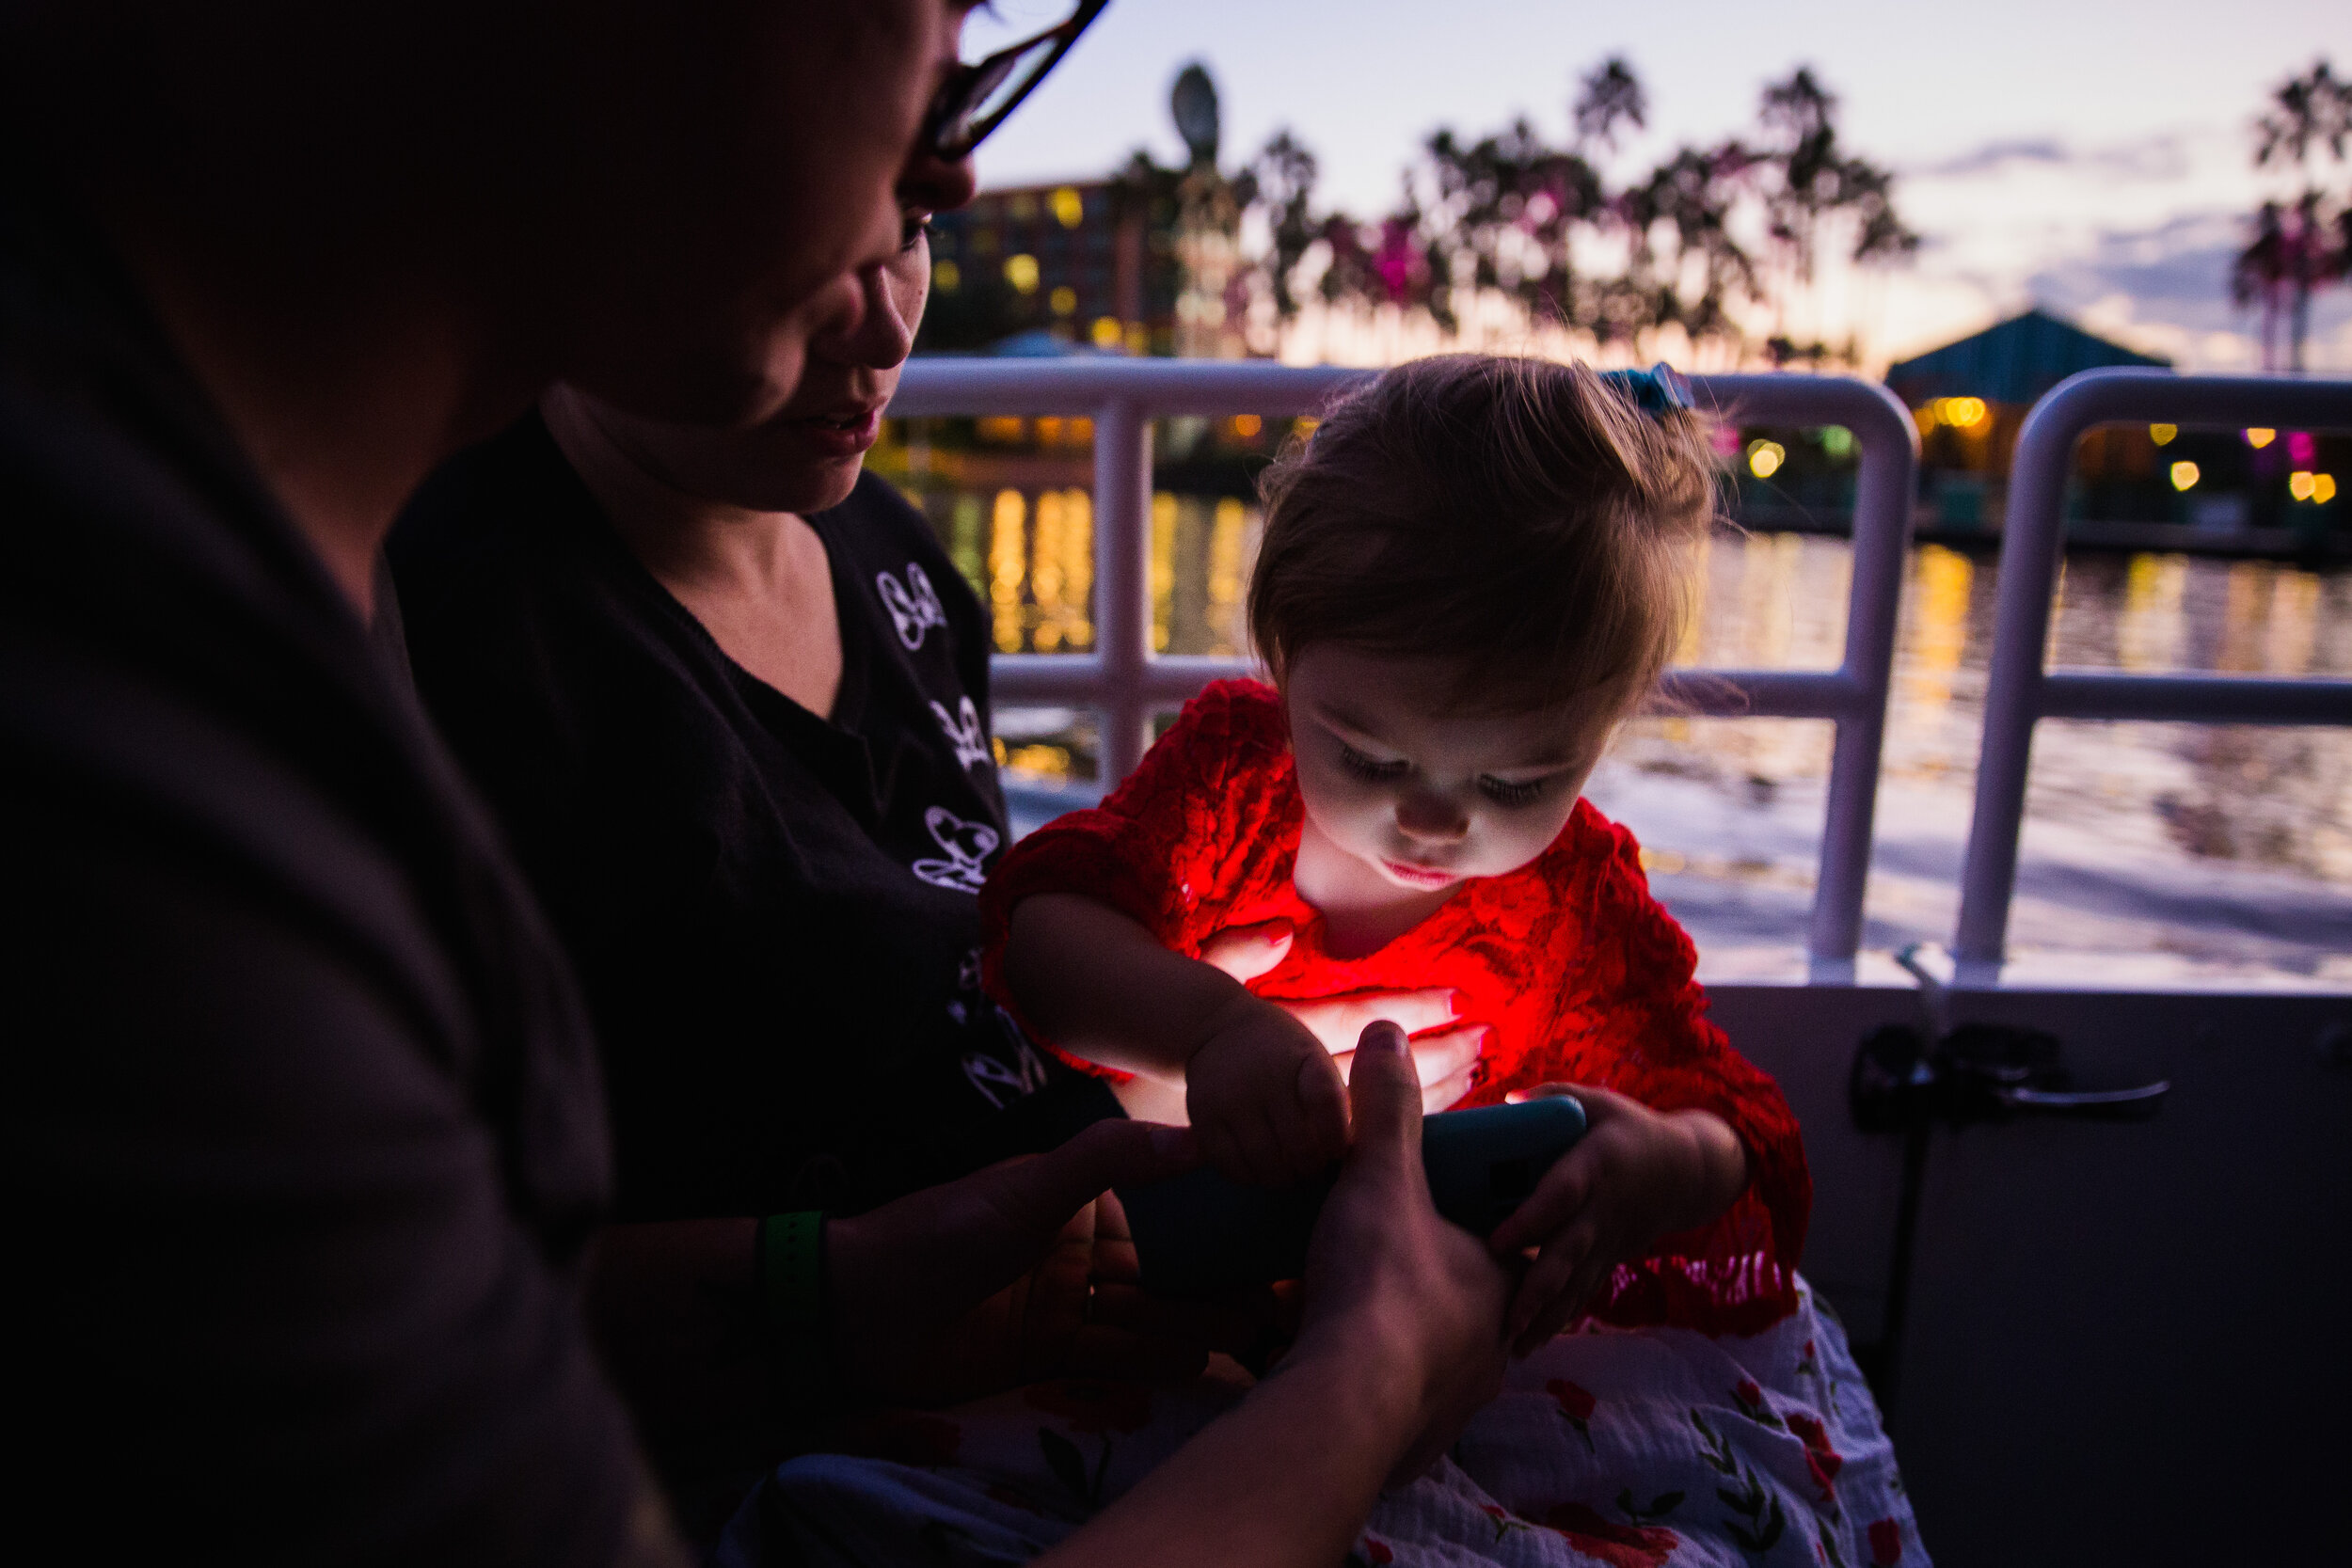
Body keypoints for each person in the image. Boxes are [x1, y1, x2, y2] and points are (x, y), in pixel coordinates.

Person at [1, 3, 1514, 1563]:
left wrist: (846, 1286)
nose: (958, 151)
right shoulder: (140, 770)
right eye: (953, 24)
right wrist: (1367, 1375)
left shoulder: (225, 562)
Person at [980, 356, 1924, 1563]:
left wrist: (1648, 1158)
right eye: (1368, 757)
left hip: (1455, 1352)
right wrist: (1205, 1027)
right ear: (1283, 654)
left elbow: (1734, 1127)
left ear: (1611, 720)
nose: (1434, 820)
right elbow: (1043, 921)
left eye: (1518, 781)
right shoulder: (1230, 783)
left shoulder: (1571, 903)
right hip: (1159, 1296)